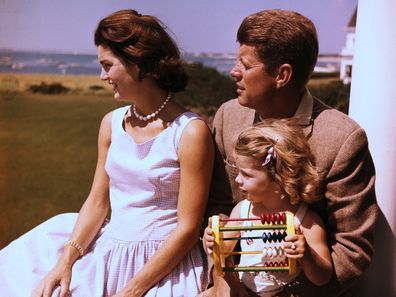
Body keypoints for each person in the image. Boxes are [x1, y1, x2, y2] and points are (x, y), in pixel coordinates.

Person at [0, 9, 214, 297]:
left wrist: (132, 291)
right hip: (107, 250)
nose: (102, 76)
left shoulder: (189, 132)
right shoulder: (111, 124)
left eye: (107, 65)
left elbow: (188, 229)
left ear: (137, 64)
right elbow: (98, 202)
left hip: (163, 266)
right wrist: (65, 261)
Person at [206, 9, 378, 297]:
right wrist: (226, 277)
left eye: (246, 65)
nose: (233, 71)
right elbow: (216, 207)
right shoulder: (228, 116)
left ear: (282, 75)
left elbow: (352, 250)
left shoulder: (342, 139)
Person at [203, 119, 333, 296]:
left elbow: (323, 277)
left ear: (279, 179)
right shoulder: (243, 210)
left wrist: (307, 255)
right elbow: (224, 252)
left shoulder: (306, 222)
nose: (238, 180)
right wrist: (212, 243)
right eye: (238, 171)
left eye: (247, 175)